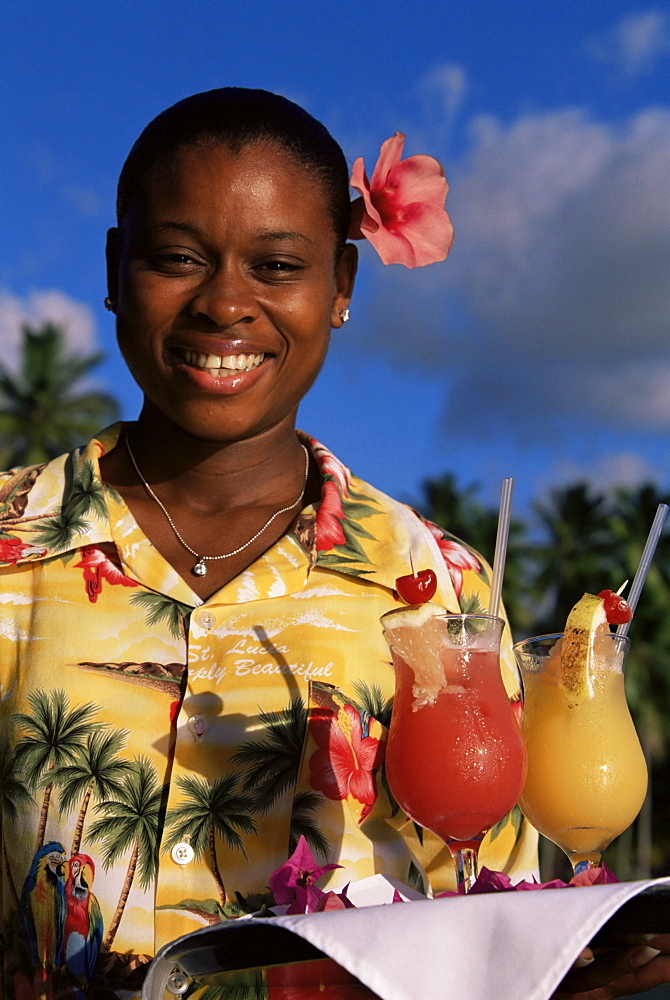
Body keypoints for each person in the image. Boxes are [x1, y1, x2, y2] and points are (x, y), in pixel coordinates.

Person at [0, 88, 667, 1000]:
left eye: (277, 266)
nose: (225, 303)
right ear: (117, 268)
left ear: (341, 287)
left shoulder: (440, 584)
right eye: (178, 258)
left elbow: (486, 908)